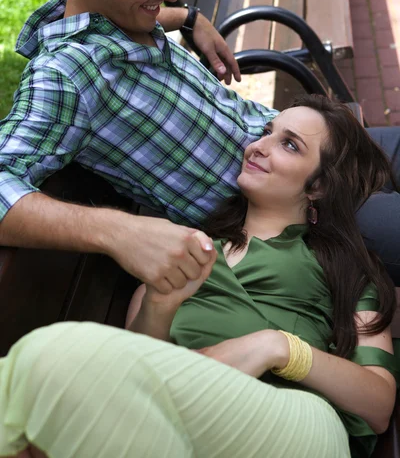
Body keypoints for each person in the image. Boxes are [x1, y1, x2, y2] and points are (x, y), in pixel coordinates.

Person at [0, 0, 399, 300]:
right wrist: (115, 230)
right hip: (300, 211)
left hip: (309, 145)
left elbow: (160, 8)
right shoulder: (64, 77)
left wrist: (191, 19)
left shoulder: (117, 15)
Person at [0, 95, 398, 458]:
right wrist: (160, 302)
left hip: (296, 424)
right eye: (266, 133)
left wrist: (278, 348)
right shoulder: (184, 252)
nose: (258, 146)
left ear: (319, 186)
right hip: (180, 430)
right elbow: (140, 365)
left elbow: (378, 405)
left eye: (289, 144)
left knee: (49, 357)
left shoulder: (342, 266)